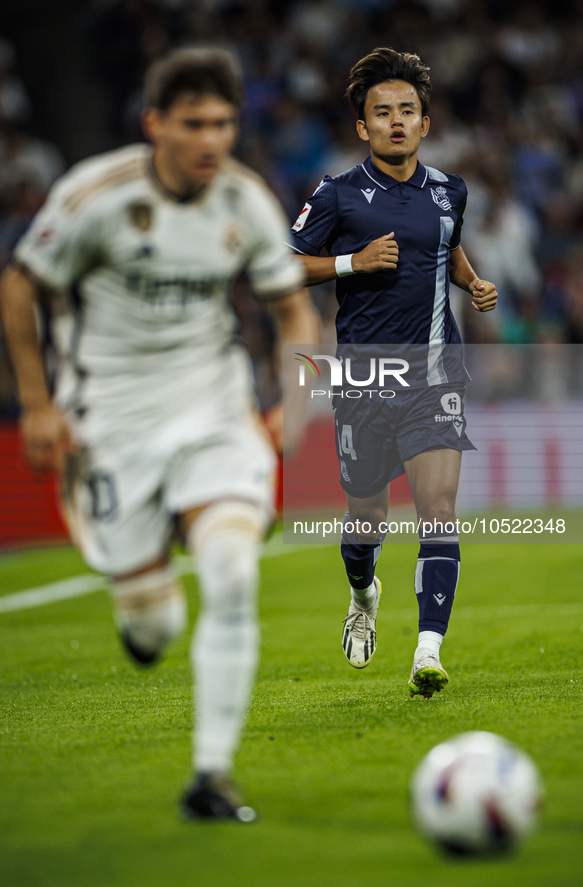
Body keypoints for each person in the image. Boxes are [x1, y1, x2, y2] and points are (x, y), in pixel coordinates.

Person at [0, 47, 318, 819]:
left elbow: (292, 309)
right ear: (155, 125)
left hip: (212, 403)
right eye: (194, 124)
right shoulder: (96, 195)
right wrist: (38, 405)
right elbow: (17, 286)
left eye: (223, 124)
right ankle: (140, 599)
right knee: (154, 626)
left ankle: (211, 775)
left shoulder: (244, 200)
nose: (212, 140)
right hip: (111, 418)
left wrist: (298, 399)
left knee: (234, 571)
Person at [288, 48, 498, 699]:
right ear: (363, 126)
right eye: (382, 112)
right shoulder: (335, 194)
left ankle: (427, 649)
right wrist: (351, 263)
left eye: (407, 110)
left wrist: (472, 282)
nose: (396, 121)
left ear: (425, 123)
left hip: (435, 375)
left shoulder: (448, 190)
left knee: (437, 509)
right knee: (365, 520)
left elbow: (447, 246)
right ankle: (362, 592)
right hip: (363, 379)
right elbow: (285, 267)